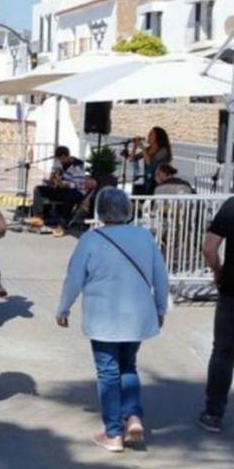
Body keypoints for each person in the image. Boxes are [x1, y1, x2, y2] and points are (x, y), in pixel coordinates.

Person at [56, 188, 169, 452]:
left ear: (100, 210)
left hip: (104, 319)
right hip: (137, 317)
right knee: (129, 365)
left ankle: (113, 433)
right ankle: (133, 416)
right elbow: (160, 276)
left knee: (108, 372)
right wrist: (161, 308)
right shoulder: (143, 237)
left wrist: (63, 309)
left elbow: (74, 279)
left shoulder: (91, 239)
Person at [200, 195, 234, 433]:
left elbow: (209, 248)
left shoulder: (232, 205)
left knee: (223, 351)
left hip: (232, 290)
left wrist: (218, 271)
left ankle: (213, 414)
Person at [31, 145, 87, 228]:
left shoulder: (77, 166)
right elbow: (54, 177)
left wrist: (63, 184)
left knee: (70, 196)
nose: (59, 161)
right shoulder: (59, 165)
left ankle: (63, 221)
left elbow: (76, 184)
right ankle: (38, 216)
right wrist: (53, 178)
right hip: (62, 189)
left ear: (64, 156)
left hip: (76, 191)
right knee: (38, 189)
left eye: (60, 159)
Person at [132, 126, 173, 195]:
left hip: (157, 181)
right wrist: (135, 146)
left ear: (158, 137)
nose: (149, 136)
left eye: (151, 134)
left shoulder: (163, 151)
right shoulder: (148, 149)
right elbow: (132, 159)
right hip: (147, 180)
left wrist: (142, 147)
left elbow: (150, 163)